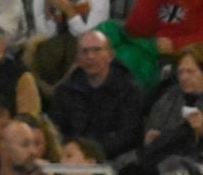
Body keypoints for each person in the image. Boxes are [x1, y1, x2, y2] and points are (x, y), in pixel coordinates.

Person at [126, 44, 203, 175]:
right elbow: (152, 130)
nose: (184, 77)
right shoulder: (168, 99)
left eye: (190, 71)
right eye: (180, 72)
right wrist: (149, 138)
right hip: (161, 162)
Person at [46, 32, 141, 162]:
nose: (90, 56)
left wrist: (91, 154)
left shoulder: (128, 89)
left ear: (110, 55)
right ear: (77, 57)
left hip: (115, 161)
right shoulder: (65, 90)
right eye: (84, 51)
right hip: (72, 160)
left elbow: (127, 136)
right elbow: (55, 129)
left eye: (97, 50)